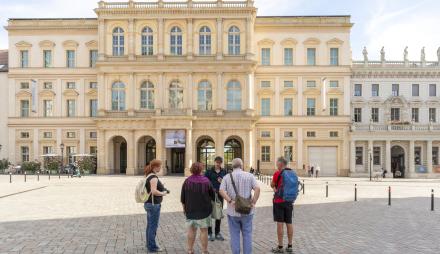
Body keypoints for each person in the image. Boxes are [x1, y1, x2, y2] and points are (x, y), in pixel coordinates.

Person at [219, 158, 261, 254]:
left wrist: (230, 201)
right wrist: (253, 202)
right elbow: (257, 189)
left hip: (233, 211)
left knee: (234, 236)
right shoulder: (249, 176)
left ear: (232, 167)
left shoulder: (226, 177)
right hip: (247, 211)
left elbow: (221, 191)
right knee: (247, 235)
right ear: (241, 166)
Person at [181, 162, 215, 254]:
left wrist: (184, 209)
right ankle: (204, 251)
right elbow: (213, 196)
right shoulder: (206, 181)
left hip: (190, 209)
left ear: (192, 169)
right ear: (201, 170)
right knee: (204, 231)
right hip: (204, 210)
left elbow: (183, 198)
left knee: (191, 230)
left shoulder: (187, 181)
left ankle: (190, 250)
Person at [270, 157, 295, 253]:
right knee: (289, 223)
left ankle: (280, 247)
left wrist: (274, 186)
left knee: (280, 224)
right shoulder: (292, 172)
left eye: (277, 162)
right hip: (289, 201)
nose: (276, 164)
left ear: (280, 164)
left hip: (279, 201)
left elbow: (272, 185)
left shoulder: (277, 173)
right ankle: (290, 246)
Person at [144, 160, 168, 253]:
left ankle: (149, 244)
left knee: (150, 225)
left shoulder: (149, 175)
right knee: (153, 226)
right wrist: (163, 193)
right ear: (155, 167)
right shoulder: (153, 177)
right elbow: (154, 191)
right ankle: (152, 247)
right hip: (153, 204)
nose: (160, 168)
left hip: (149, 203)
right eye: (160, 166)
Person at [204, 156, 227, 241]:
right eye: (217, 162)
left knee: (219, 214)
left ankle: (217, 233)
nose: (218, 164)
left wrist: (222, 181)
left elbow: (226, 182)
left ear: (221, 163)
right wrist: (211, 186)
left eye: (220, 162)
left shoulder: (224, 171)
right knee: (209, 214)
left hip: (220, 195)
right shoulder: (209, 171)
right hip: (210, 195)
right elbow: (205, 182)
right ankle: (209, 233)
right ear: (214, 162)